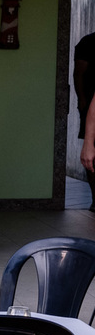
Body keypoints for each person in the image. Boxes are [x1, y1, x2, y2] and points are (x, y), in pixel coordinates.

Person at [73, 32, 95, 210]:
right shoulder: (88, 42)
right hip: (89, 105)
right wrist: (81, 99)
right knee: (92, 159)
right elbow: (78, 72)